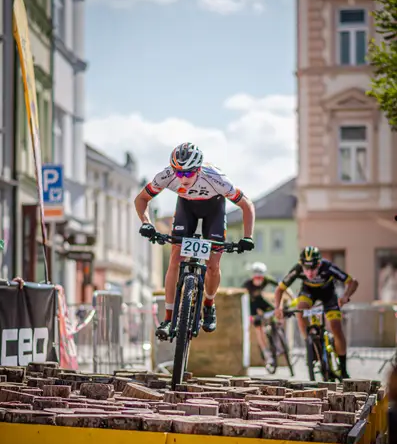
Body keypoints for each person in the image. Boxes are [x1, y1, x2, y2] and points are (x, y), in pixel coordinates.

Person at [135, 142, 255, 340]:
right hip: (186, 209)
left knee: (213, 265)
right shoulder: (167, 175)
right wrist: (146, 223)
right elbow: (141, 199)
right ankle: (168, 318)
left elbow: (247, 205)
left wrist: (248, 236)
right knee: (175, 259)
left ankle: (208, 304)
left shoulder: (216, 178)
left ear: (198, 169)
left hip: (214, 210)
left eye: (188, 173)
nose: (182, 178)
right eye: (178, 173)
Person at [273, 246, 358, 379]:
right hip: (308, 293)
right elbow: (279, 289)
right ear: (302, 264)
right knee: (300, 309)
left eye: (313, 268)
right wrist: (277, 308)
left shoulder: (328, 267)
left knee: (336, 327)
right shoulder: (297, 268)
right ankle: (310, 343)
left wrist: (346, 295)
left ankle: (343, 367)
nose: (310, 273)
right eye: (306, 269)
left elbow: (352, 282)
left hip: (328, 295)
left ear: (319, 263)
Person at [242, 262, 293, 364]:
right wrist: (249, 317)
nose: (259, 280)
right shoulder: (247, 285)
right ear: (252, 277)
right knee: (258, 328)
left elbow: (282, 287)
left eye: (261, 278)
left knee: (277, 312)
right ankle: (265, 352)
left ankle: (278, 333)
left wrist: (293, 298)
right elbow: (242, 300)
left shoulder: (267, 279)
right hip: (252, 305)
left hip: (261, 301)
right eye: (256, 278)